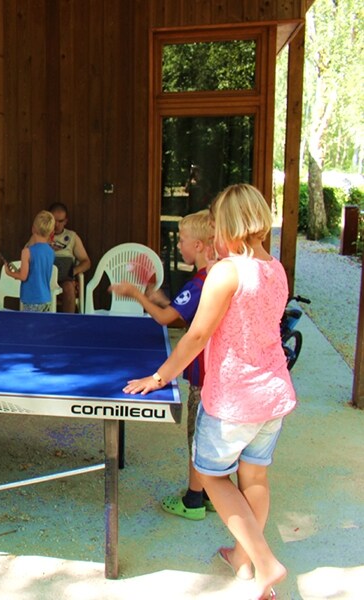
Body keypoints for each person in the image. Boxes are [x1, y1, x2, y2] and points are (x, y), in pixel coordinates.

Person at [125, 184, 294, 600]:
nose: (215, 231)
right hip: (273, 395)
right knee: (254, 475)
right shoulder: (275, 268)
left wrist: (160, 376)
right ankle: (242, 557)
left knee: (214, 476)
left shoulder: (226, 271)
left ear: (229, 225)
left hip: (234, 398)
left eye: (217, 223)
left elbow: (197, 334)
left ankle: (266, 563)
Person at [109, 210, 215, 521]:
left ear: (197, 245)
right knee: (206, 435)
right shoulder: (210, 278)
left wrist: (136, 295)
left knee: (197, 436)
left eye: (182, 240)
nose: (179, 245)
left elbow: (167, 319)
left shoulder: (200, 282)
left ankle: (194, 499)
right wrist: (155, 294)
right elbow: (180, 310)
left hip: (204, 375)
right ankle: (207, 493)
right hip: (214, 374)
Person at [2, 210, 55, 312]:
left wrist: (9, 273)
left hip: (32, 298)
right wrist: (19, 271)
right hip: (46, 298)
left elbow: (23, 276)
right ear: (51, 232)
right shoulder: (51, 252)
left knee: (31, 327)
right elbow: (36, 272)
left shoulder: (27, 252)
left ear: (33, 229)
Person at [48, 203, 91, 313]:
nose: (56, 225)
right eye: (54, 220)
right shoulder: (40, 234)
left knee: (69, 287)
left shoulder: (72, 236)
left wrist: (73, 271)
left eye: (60, 221)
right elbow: (28, 253)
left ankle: (68, 322)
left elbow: (86, 262)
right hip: (44, 276)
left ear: (66, 221)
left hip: (65, 277)